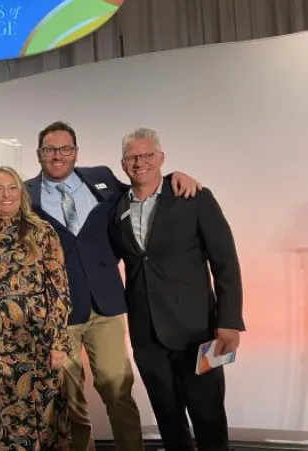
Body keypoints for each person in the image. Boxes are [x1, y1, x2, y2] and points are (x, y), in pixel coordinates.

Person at [24, 121, 201, 451]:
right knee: (69, 399)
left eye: (65, 148)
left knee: (118, 390)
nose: (57, 155)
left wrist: (176, 174)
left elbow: (142, 188)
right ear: (39, 154)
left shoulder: (101, 178)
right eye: (49, 149)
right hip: (59, 313)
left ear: (76, 152)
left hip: (105, 304)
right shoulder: (24, 194)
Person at [108, 128, 244, 451]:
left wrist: (230, 321)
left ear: (161, 158)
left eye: (148, 156)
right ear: (123, 164)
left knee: (209, 418)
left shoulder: (194, 197)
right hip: (147, 337)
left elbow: (225, 261)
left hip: (199, 332)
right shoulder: (116, 209)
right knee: (169, 422)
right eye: (132, 157)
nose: (140, 162)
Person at [0, 166, 72, 450]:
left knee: (41, 424)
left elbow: (59, 291)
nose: (6, 195)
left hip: (38, 341)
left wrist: (59, 343)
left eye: (12, 187)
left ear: (21, 192)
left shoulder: (42, 231)